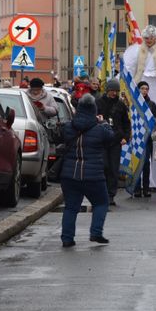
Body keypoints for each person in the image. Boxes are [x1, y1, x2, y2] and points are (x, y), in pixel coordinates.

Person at [60, 93, 115, 248]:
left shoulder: (69, 127)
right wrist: (103, 122)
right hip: (93, 175)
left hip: (69, 174)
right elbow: (111, 137)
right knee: (101, 203)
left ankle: (67, 238)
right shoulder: (100, 129)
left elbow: (60, 137)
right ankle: (96, 233)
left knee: (71, 207)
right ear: (93, 110)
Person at [96, 79, 131, 206]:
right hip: (102, 140)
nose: (114, 94)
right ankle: (102, 192)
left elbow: (126, 123)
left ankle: (111, 194)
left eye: (116, 91)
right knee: (103, 166)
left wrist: (126, 137)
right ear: (107, 90)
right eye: (112, 91)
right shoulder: (98, 103)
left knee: (113, 168)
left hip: (116, 140)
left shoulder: (121, 105)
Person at [123, 24, 156, 111]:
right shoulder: (138, 51)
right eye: (147, 38)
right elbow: (131, 67)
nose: (149, 40)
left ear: (155, 38)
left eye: (151, 38)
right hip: (143, 81)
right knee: (142, 104)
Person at [134, 81, 156, 197]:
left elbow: (154, 119)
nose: (144, 91)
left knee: (146, 164)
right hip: (137, 137)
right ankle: (137, 188)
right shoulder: (134, 103)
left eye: (146, 89)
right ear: (138, 90)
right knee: (137, 163)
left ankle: (146, 188)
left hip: (147, 138)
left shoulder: (151, 104)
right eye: (142, 88)